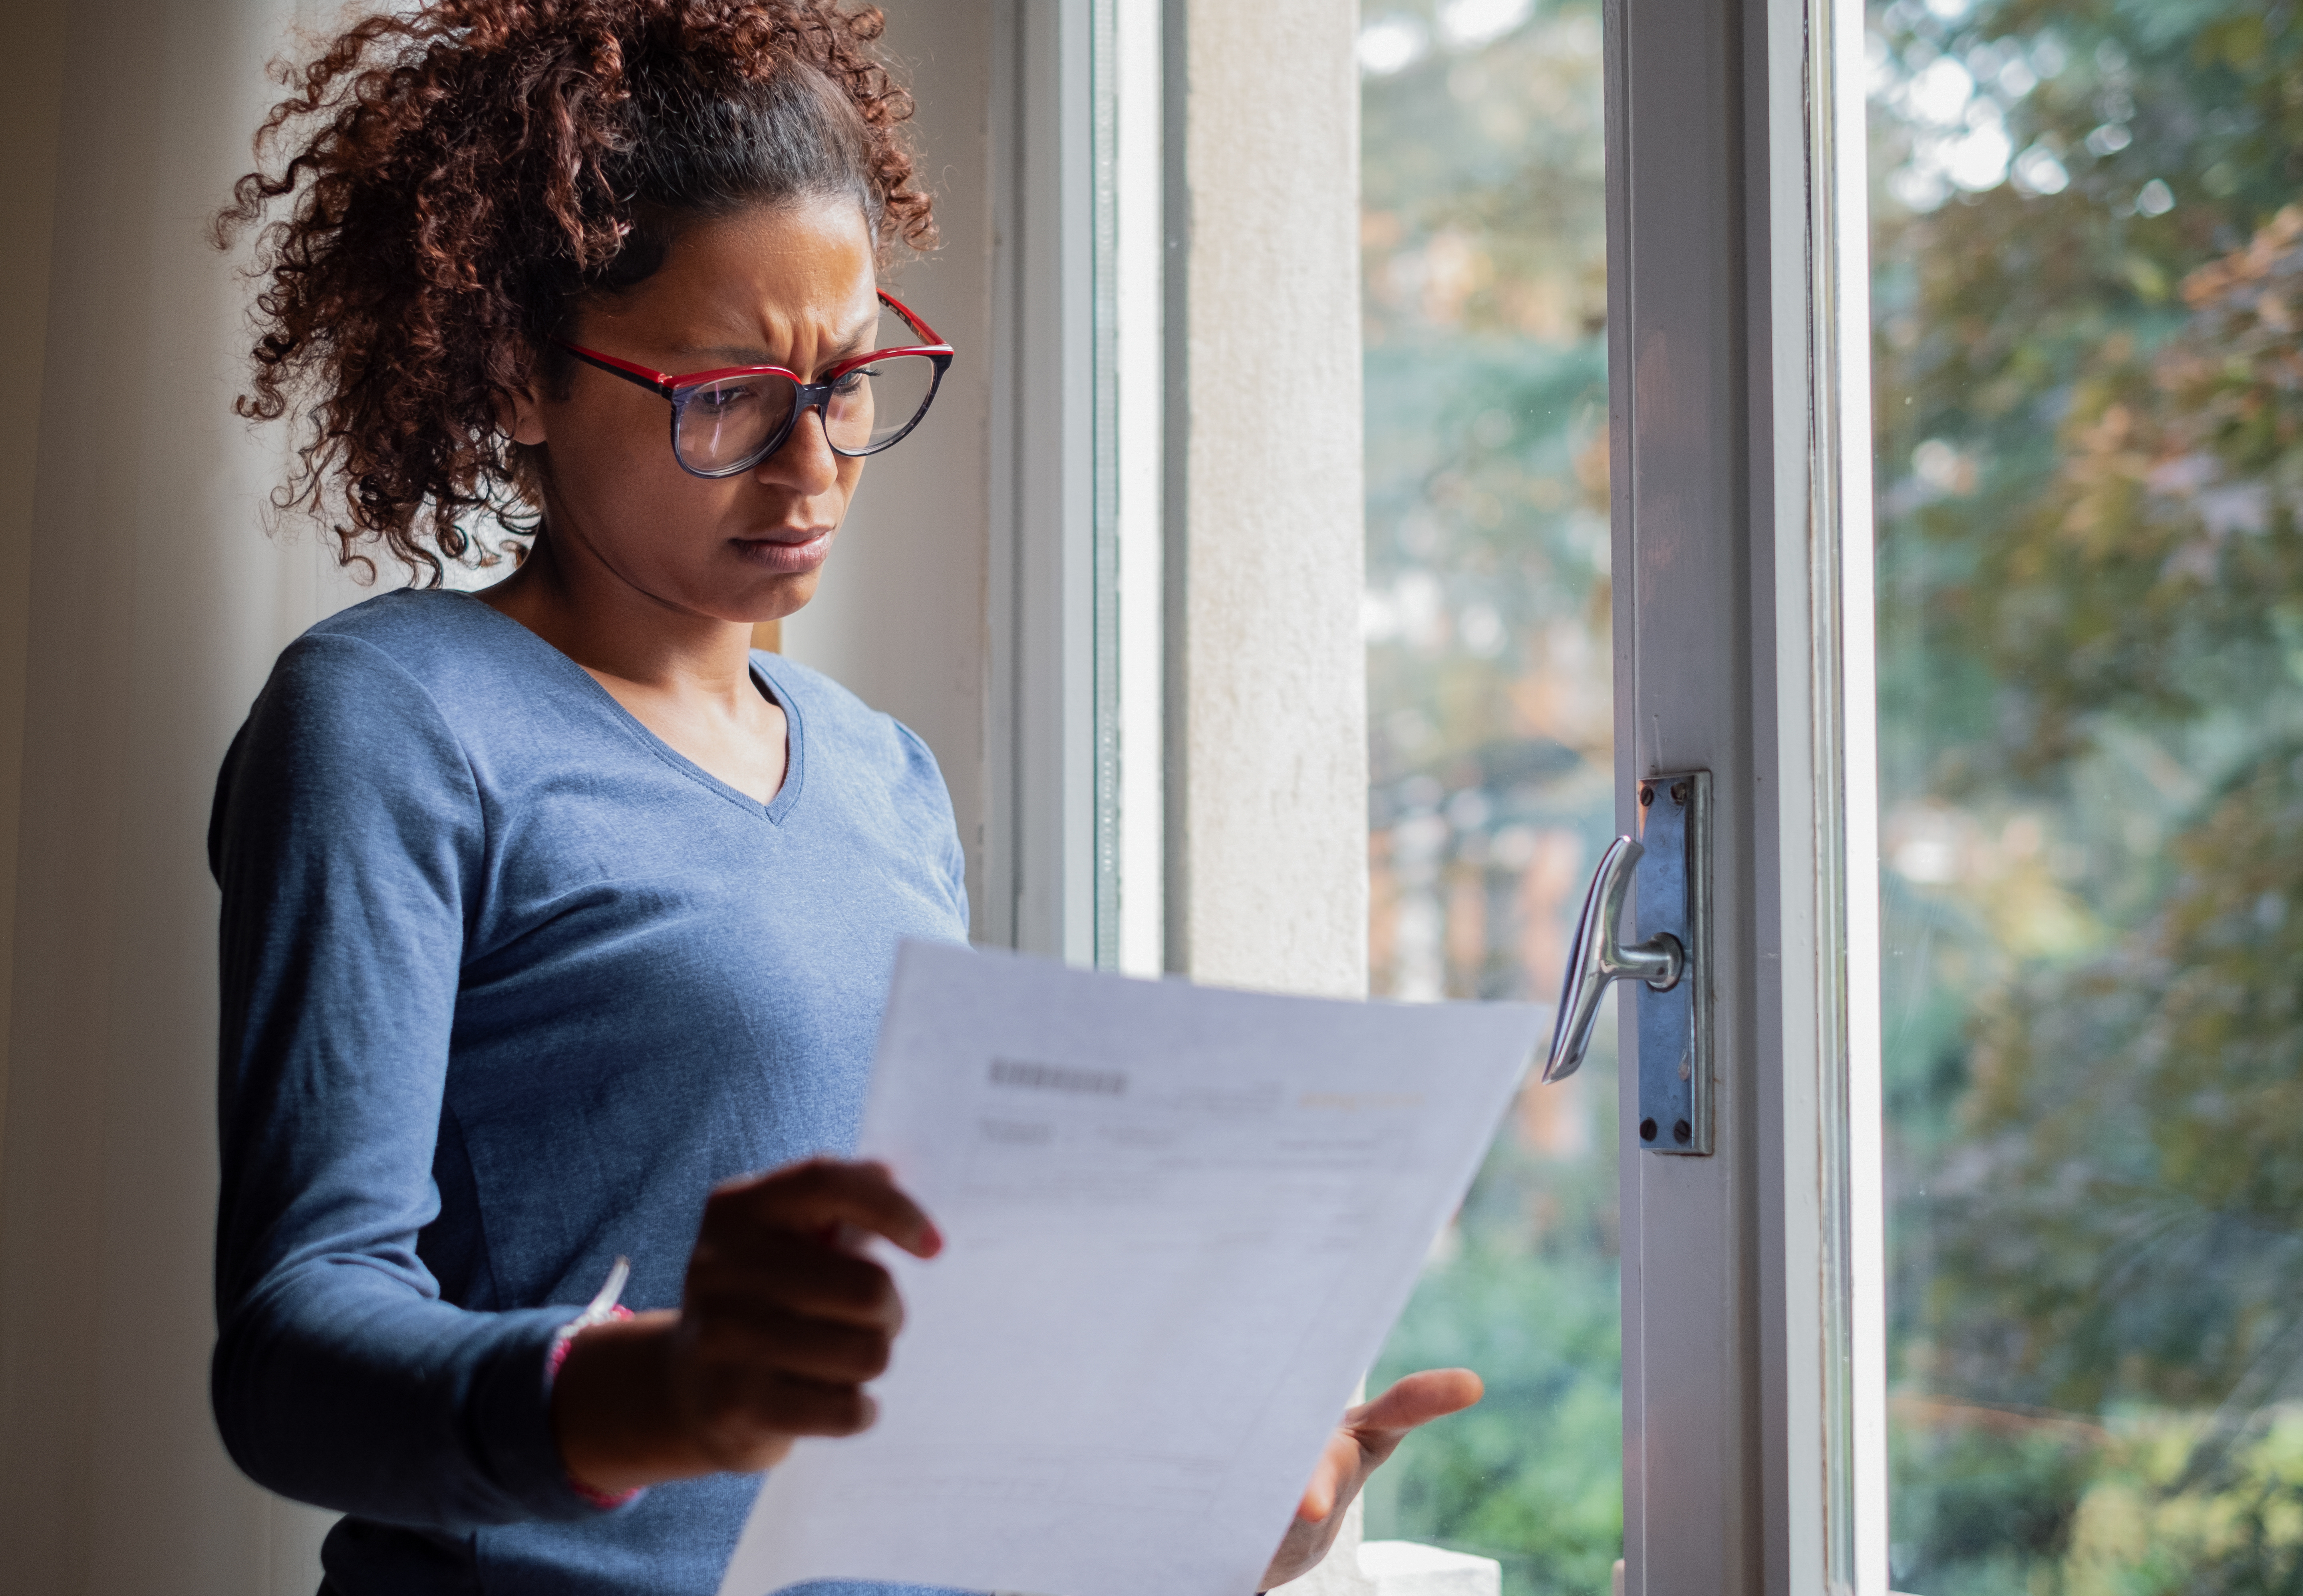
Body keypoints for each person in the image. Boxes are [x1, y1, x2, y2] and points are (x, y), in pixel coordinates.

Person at [208, 4, 1482, 1594]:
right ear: (519, 378)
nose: (810, 468)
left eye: (853, 377)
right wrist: (658, 1396)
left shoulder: (882, 774)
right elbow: (290, 1356)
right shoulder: (397, 718)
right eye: (728, 394)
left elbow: (912, 1387)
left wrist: (1191, 1502)